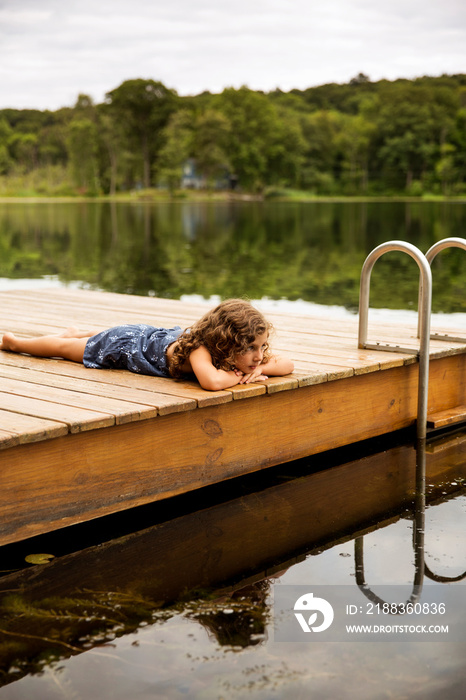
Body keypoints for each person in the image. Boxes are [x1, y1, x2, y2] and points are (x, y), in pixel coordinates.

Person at [0, 298, 294, 391]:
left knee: (98, 333)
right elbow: (211, 382)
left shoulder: (244, 355)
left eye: (261, 347)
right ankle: (17, 343)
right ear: (226, 342)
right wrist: (239, 376)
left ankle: (76, 332)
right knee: (66, 350)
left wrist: (257, 369)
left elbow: (288, 364)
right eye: (251, 348)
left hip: (153, 335)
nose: (259, 356)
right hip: (127, 346)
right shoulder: (200, 350)